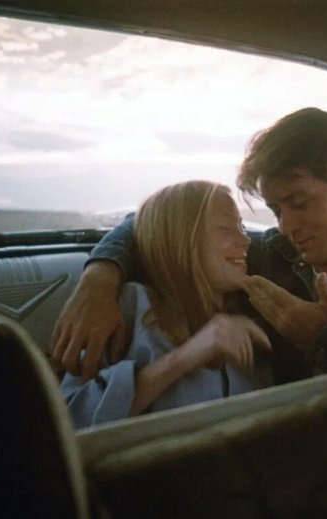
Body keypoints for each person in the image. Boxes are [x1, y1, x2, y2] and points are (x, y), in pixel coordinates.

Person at [50, 108, 327, 385]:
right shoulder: (270, 256)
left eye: (298, 203)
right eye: (276, 210)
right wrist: (98, 282)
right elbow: (153, 225)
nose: (286, 227)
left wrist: (325, 341)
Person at [60, 181, 272, 429]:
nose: (245, 240)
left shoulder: (255, 311)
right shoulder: (128, 307)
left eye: (242, 227)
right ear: (180, 241)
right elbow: (70, 423)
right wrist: (182, 360)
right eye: (226, 229)